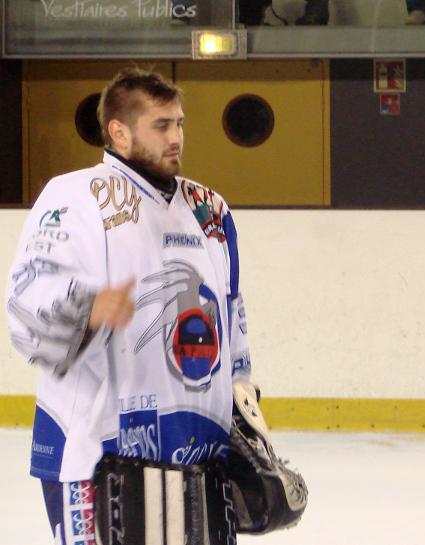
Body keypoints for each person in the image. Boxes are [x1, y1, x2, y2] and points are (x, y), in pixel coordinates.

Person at [6, 68, 306, 544]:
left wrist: (245, 417)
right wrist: (84, 311)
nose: (176, 138)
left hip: (201, 463)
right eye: (161, 126)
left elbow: (232, 321)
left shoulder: (210, 210)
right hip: (95, 461)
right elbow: (27, 307)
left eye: (179, 123)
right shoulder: (74, 197)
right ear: (119, 132)